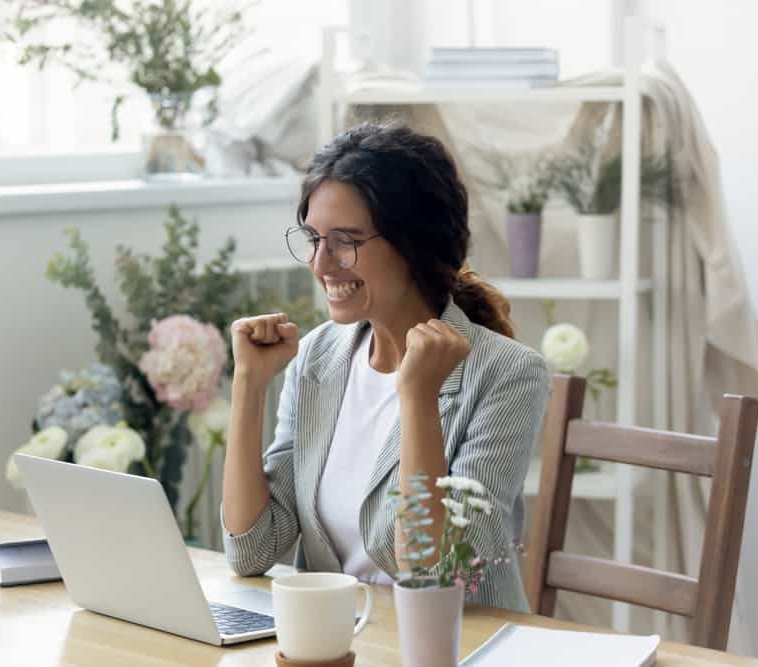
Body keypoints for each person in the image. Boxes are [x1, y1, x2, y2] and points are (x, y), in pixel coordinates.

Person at [220, 120, 550, 612]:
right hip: (339, 646)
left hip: (457, 647)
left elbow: (435, 571)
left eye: (346, 241)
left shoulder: (506, 373)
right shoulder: (318, 357)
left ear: (414, 244)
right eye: (313, 237)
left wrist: (417, 398)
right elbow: (251, 550)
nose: (320, 264)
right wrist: (248, 384)